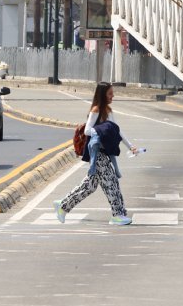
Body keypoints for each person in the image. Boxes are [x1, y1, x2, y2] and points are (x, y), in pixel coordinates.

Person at [54, 82, 141, 226]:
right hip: (97, 154)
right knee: (110, 182)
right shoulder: (96, 110)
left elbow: (117, 130)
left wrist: (130, 146)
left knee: (90, 186)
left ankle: (63, 205)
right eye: (110, 93)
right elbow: (88, 130)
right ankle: (117, 215)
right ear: (102, 95)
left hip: (104, 152)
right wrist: (103, 130)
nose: (113, 96)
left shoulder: (109, 110)